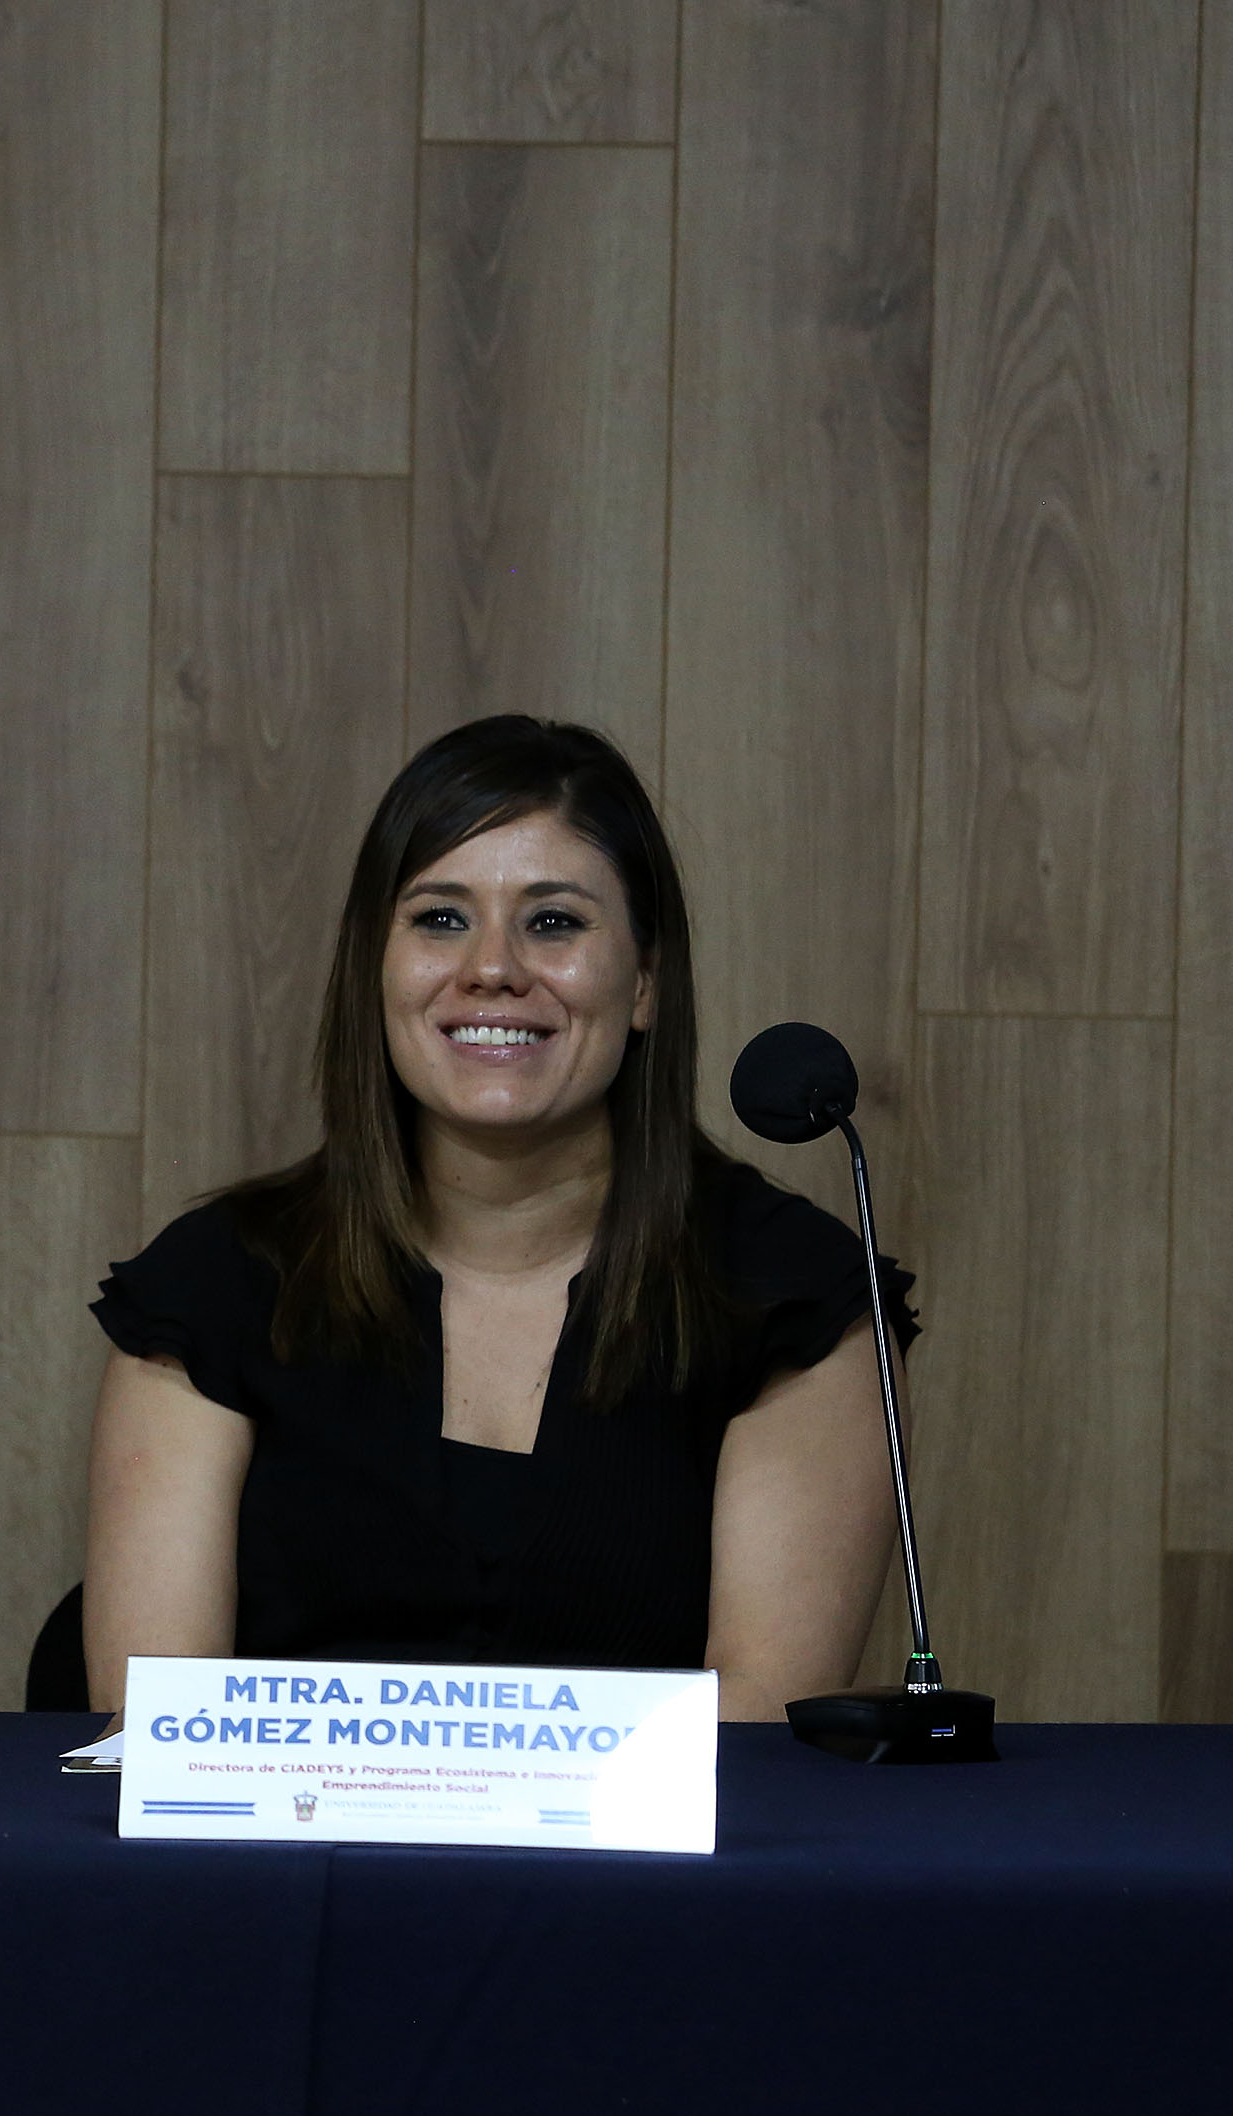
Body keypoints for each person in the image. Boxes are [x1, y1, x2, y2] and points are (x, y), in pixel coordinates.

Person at [82, 715, 901, 1721]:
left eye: (553, 922)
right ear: (374, 970)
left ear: (644, 981)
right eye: (439, 918)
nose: (492, 968)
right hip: (283, 1832)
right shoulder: (211, 1286)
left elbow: (759, 1728)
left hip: (661, 1839)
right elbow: (160, 1725)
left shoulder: (794, 1299)